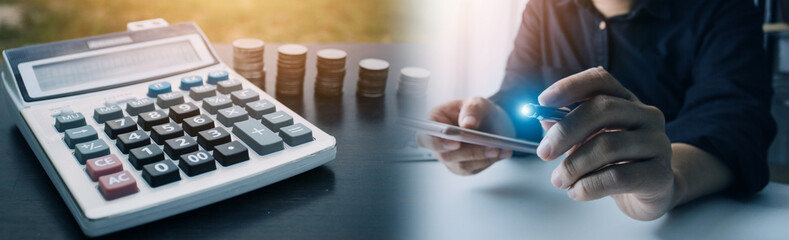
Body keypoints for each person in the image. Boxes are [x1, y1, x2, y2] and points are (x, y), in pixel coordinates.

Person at [417, 0, 776, 221]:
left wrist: (668, 180)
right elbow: (522, 94)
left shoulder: (724, 8)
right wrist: (495, 126)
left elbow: (734, 124)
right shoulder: (544, 7)